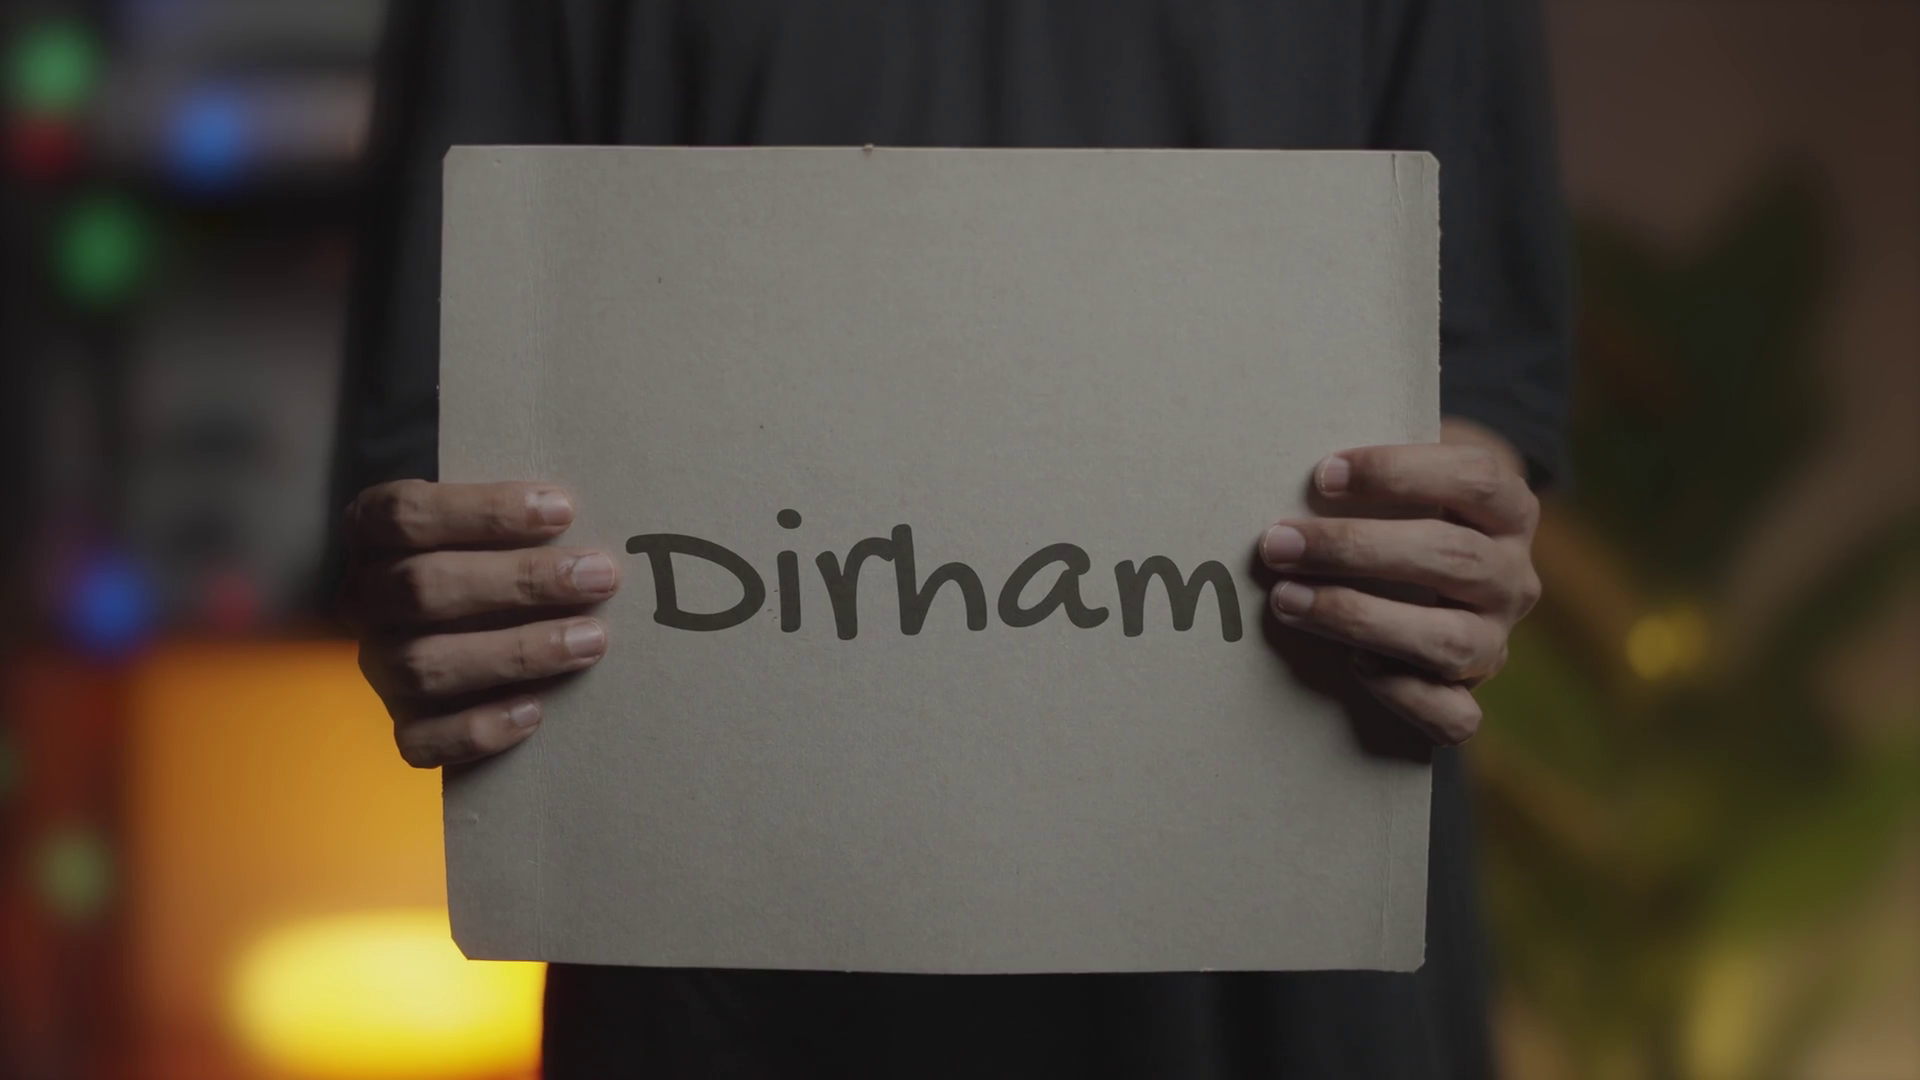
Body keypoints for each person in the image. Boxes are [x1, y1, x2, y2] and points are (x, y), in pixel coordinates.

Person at [328, 2, 1569, 1076]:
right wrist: (440, 586)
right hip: (715, 988)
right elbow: (434, 419)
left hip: (1285, 979)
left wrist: (1455, 539)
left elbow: (1477, 365)